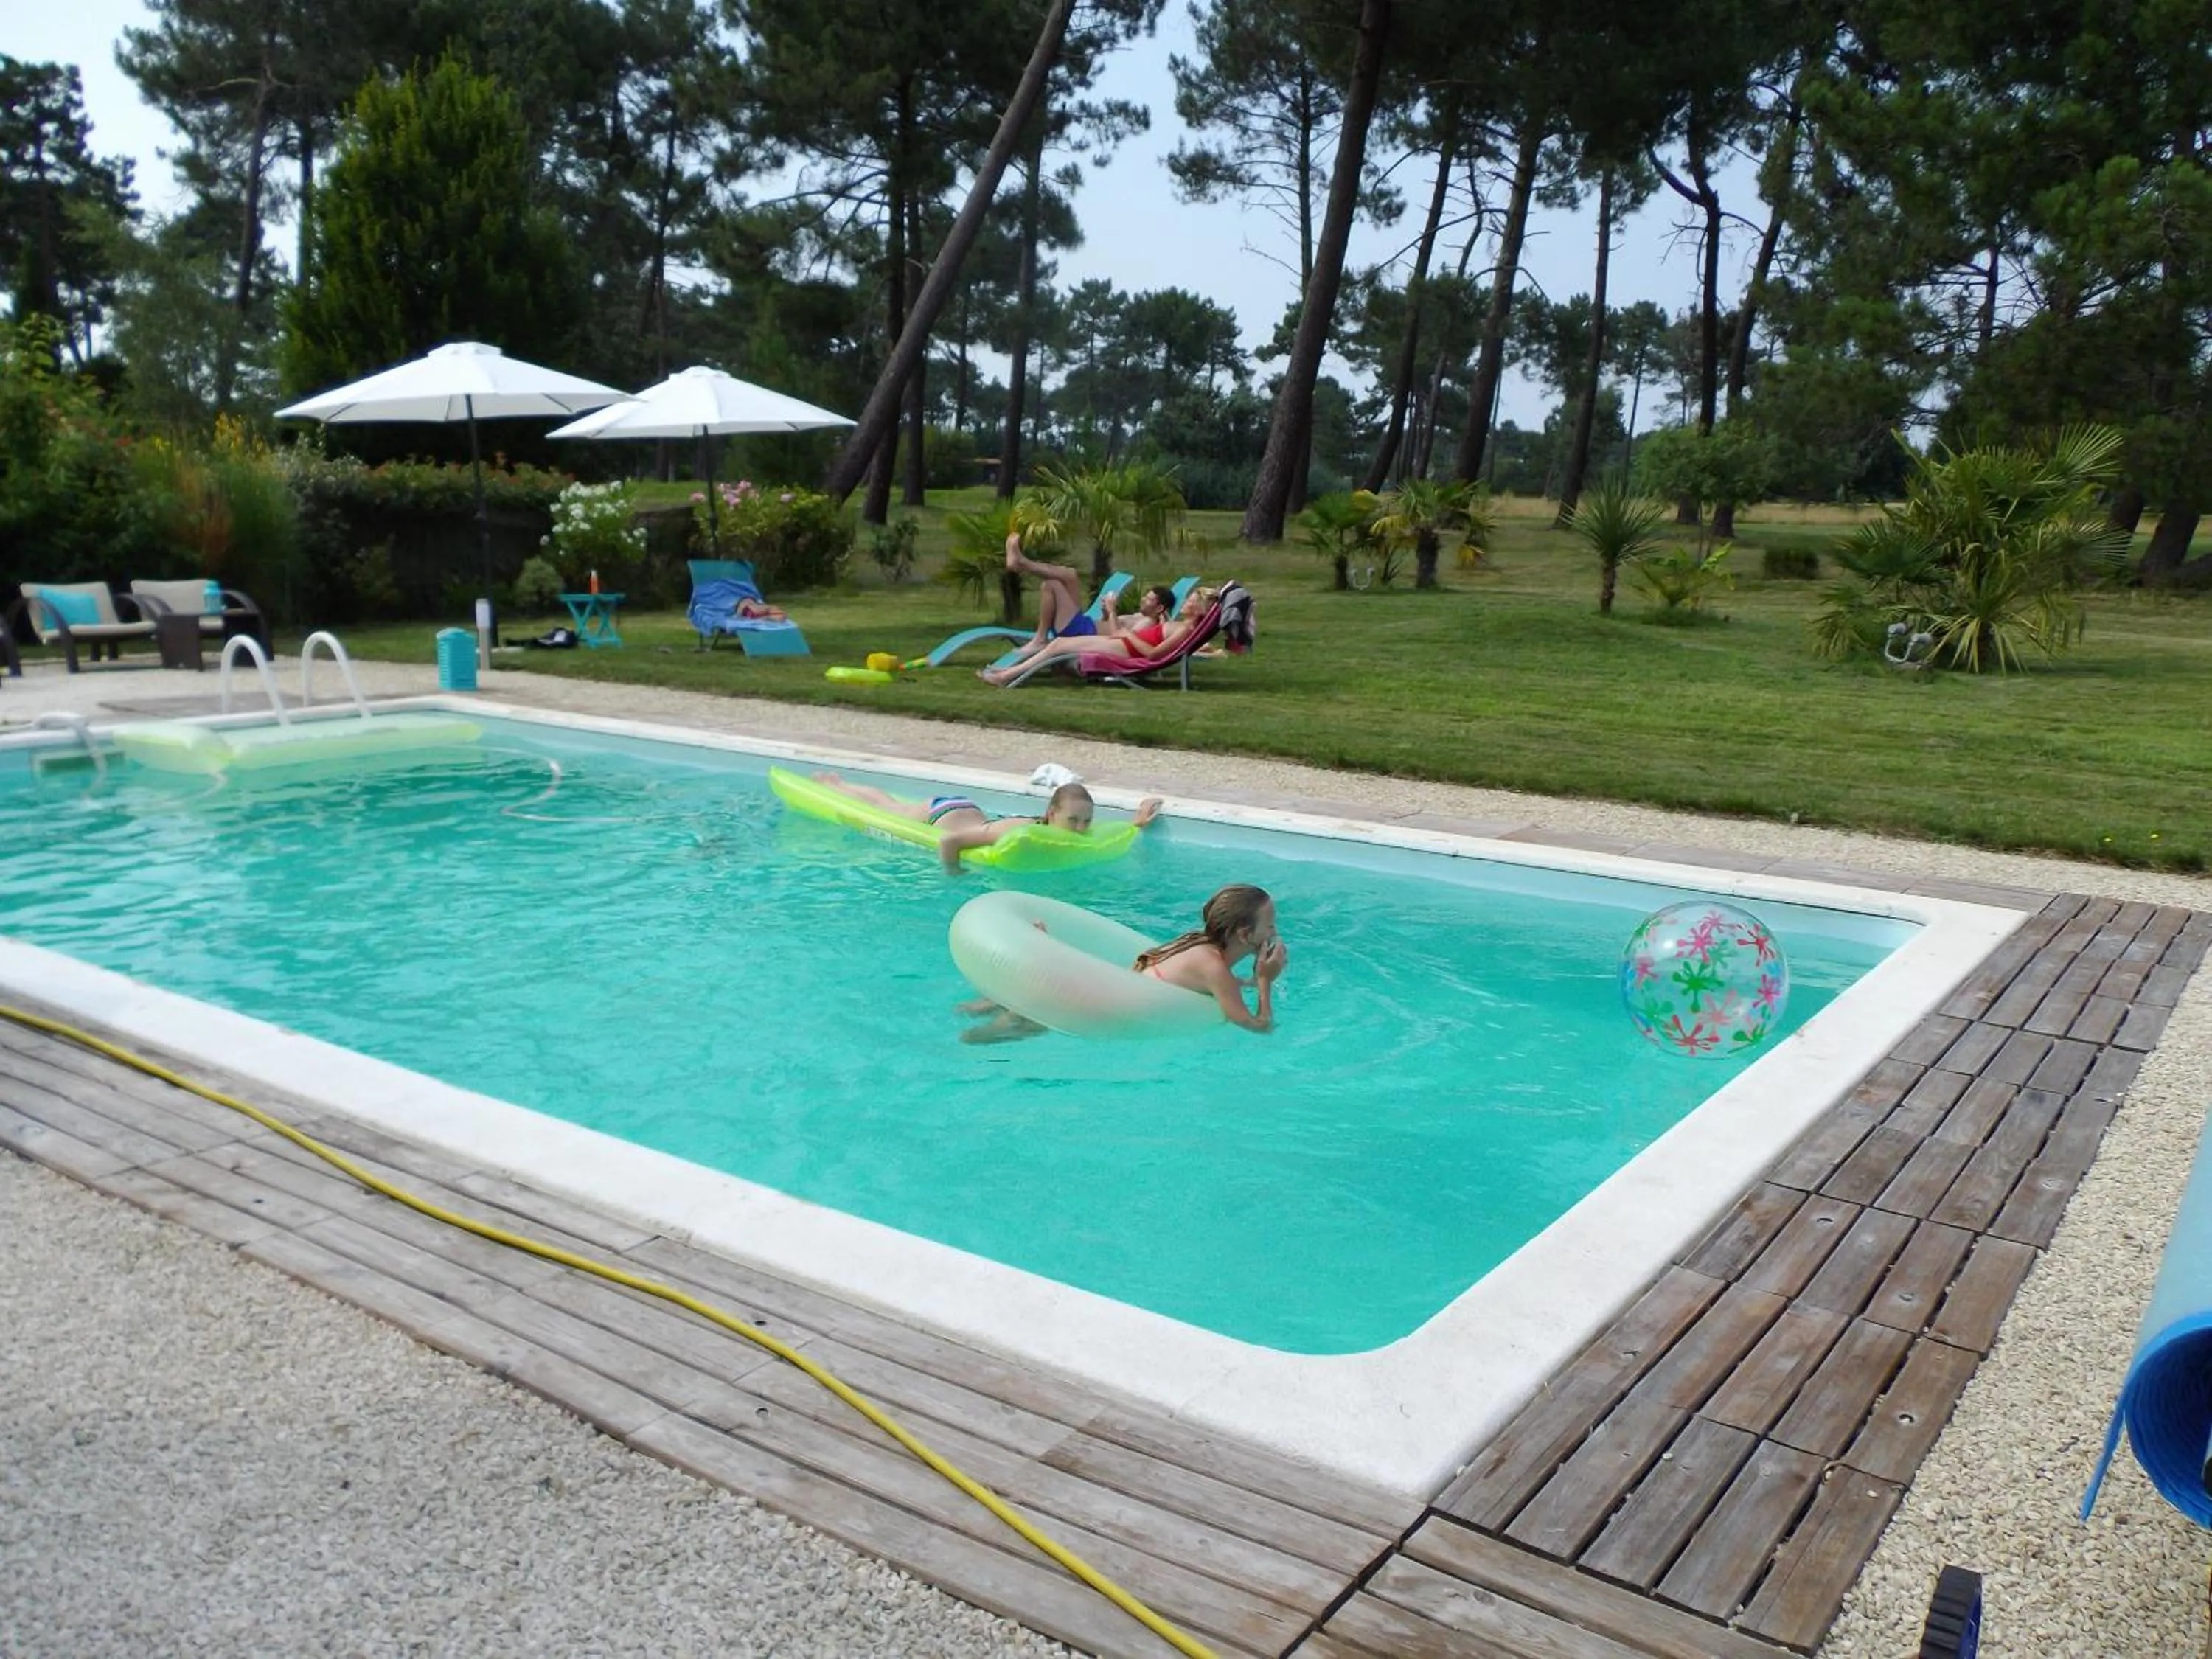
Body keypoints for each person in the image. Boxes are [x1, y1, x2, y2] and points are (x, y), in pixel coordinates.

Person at [960, 883, 1288, 1043]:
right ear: (1245, 934)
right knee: (1026, 1028)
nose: (1275, 932)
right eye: (1270, 925)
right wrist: (1264, 982)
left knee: (1026, 1006)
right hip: (1100, 1010)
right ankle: (987, 1030)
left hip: (1104, 990)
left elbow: (1197, 984)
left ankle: (1000, 1000)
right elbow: (1258, 1027)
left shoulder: (1197, 944)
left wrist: (1241, 982)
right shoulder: (1216, 970)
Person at [808, 775, 1163, 873]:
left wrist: (1137, 822)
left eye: (1086, 821)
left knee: (893, 803)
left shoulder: (1067, 835)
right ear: (1051, 814)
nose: (1081, 829)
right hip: (943, 815)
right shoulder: (1016, 832)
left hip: (973, 812)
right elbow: (949, 844)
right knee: (889, 806)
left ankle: (838, 784)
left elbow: (1112, 833)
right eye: (1073, 820)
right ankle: (836, 785)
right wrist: (953, 875)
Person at [980, 585, 1219, 686]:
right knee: (1060, 644)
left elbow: (1154, 655)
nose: (1186, 602)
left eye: (1191, 601)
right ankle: (1007, 675)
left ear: (1199, 610)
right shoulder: (1180, 626)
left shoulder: (1185, 629)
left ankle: (1006, 676)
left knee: (1058, 646)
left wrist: (1128, 634)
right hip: (1124, 644)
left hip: (1127, 650)